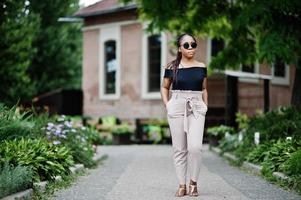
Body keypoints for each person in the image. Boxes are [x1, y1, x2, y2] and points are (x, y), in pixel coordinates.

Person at [160, 33, 208, 197]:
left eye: (193, 44)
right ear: (179, 48)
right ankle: (182, 184)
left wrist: (205, 106)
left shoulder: (201, 66)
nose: (190, 48)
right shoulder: (171, 67)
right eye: (186, 45)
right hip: (177, 104)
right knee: (179, 148)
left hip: (196, 106)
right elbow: (165, 87)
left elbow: (204, 88)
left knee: (195, 147)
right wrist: (168, 105)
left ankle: (193, 182)